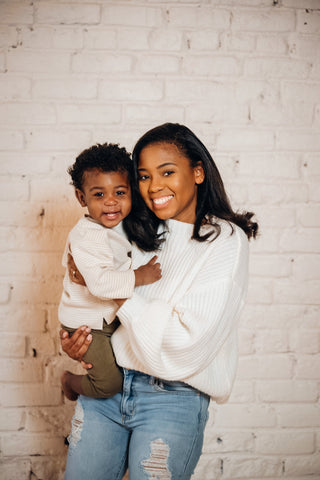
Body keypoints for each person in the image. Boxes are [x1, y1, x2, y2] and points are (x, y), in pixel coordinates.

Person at [60, 123, 258, 480]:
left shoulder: (226, 242)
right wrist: (85, 343)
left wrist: (115, 290)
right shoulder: (134, 228)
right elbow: (102, 302)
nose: (154, 187)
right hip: (110, 388)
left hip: (173, 399)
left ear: (198, 172)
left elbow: (184, 344)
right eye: (144, 176)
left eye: (167, 172)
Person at [59, 142, 161, 401]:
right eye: (99, 195)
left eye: (119, 192)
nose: (111, 202)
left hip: (106, 318)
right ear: (82, 198)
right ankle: (70, 382)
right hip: (88, 325)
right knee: (108, 384)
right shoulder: (88, 237)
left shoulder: (118, 227)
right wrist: (139, 276)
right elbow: (100, 284)